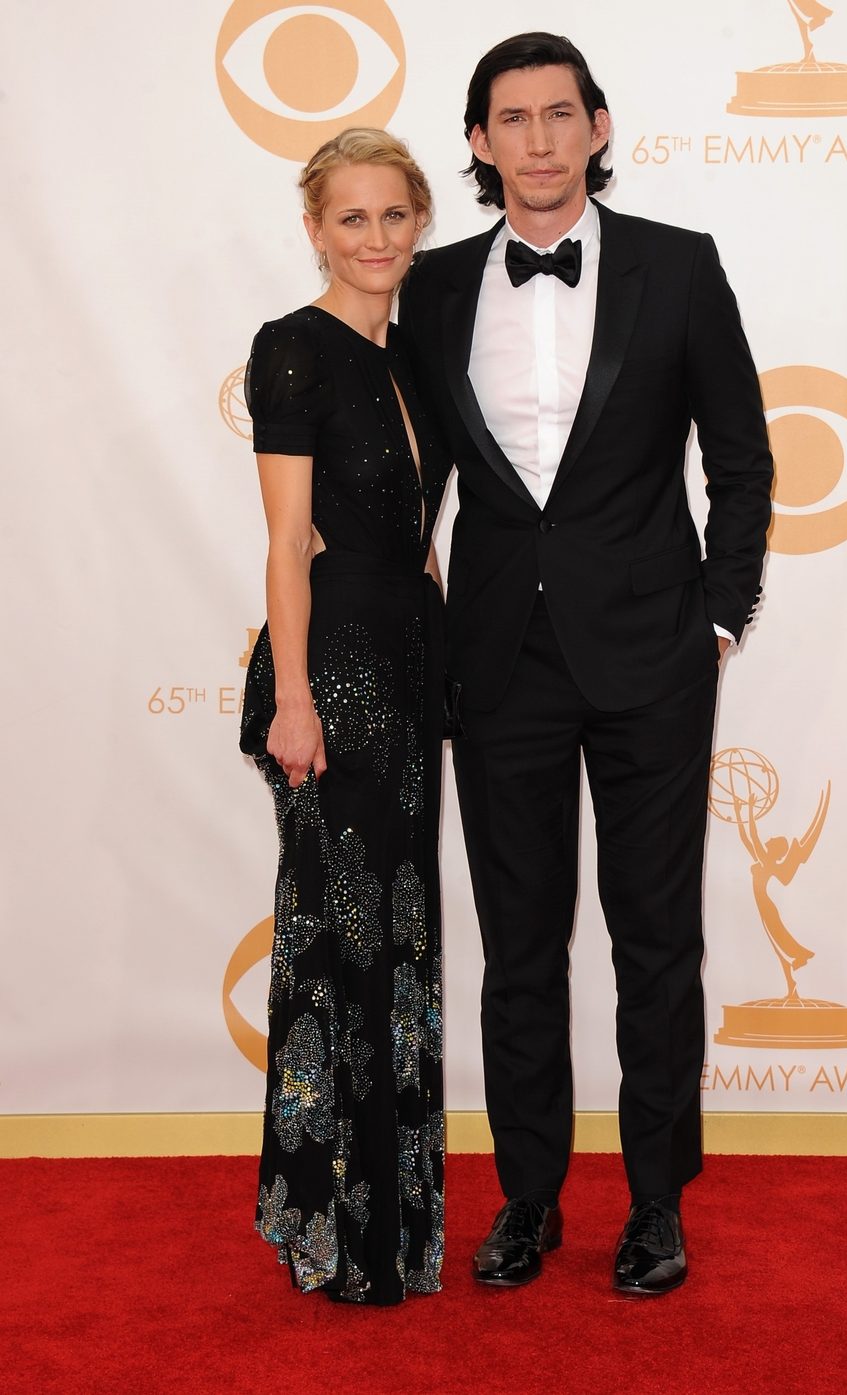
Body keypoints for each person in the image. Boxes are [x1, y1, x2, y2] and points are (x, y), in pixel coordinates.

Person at [398, 33, 773, 1295]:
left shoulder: (678, 267)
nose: (540, 141)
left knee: (656, 940)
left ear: (599, 128)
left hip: (654, 656)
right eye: (513, 120)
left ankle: (657, 1203)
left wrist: (716, 618)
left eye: (561, 115)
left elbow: (740, 457)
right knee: (517, 948)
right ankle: (527, 1199)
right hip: (496, 664)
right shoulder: (437, 287)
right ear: (478, 142)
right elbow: (414, 491)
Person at [239, 128, 450, 1306]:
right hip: (336, 678)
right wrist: (296, 695)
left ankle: (397, 1232)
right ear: (315, 229)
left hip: (412, 672)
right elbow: (283, 543)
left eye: (393, 217)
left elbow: (420, 532)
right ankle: (330, 1232)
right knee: (338, 951)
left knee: (400, 948)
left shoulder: (414, 358)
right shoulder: (293, 352)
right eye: (351, 219)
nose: (374, 239)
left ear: (419, 223)